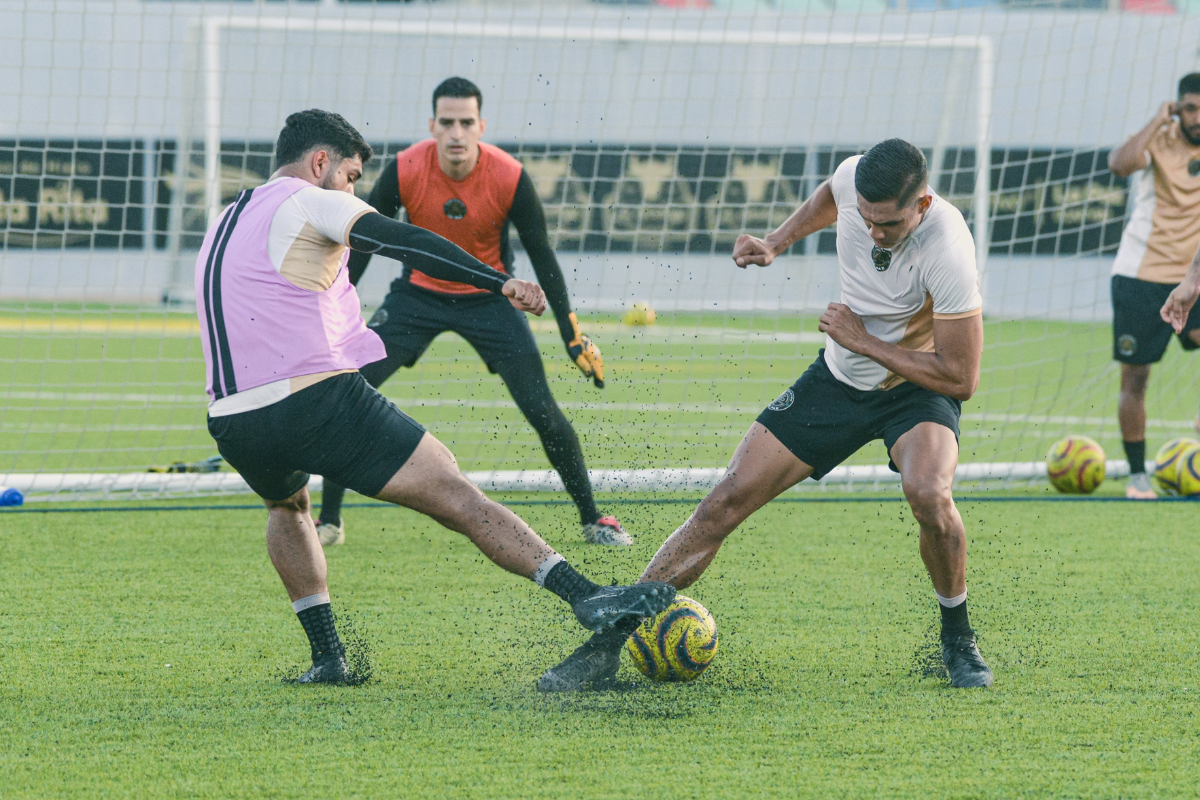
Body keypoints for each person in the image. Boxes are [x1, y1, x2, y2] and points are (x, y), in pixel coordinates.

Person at [197, 109, 674, 684]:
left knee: (286, 507)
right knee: (458, 494)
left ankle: (328, 658)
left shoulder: (230, 214)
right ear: (320, 163)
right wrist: (499, 281)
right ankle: (587, 595)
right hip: (312, 401)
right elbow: (406, 240)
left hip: (232, 420)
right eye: (350, 177)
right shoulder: (310, 200)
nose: (354, 190)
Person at [538, 139, 993, 692]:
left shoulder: (949, 247)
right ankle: (606, 645)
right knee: (722, 502)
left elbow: (959, 377)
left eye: (889, 224)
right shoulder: (853, 180)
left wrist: (863, 341)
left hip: (915, 390)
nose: (875, 233)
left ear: (920, 206)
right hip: (838, 380)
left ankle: (957, 639)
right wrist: (777, 241)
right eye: (867, 221)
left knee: (929, 493)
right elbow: (830, 194)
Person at [315, 77, 629, 548]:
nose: (456, 133)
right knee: (348, 393)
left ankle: (592, 518)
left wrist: (572, 336)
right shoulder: (403, 170)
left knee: (543, 411)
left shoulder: (510, 176)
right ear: (432, 126)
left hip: (490, 301)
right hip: (416, 298)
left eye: (466, 123)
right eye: (447, 123)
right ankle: (330, 523)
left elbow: (543, 257)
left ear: (481, 126)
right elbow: (359, 246)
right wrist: (333, 314)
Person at [1106, 72, 1200, 499]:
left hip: (1194, 278)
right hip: (1141, 276)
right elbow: (1120, 165)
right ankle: (1139, 476)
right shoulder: (1158, 141)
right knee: (1136, 379)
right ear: (1177, 107)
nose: (1198, 117)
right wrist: (1154, 121)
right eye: (1191, 108)